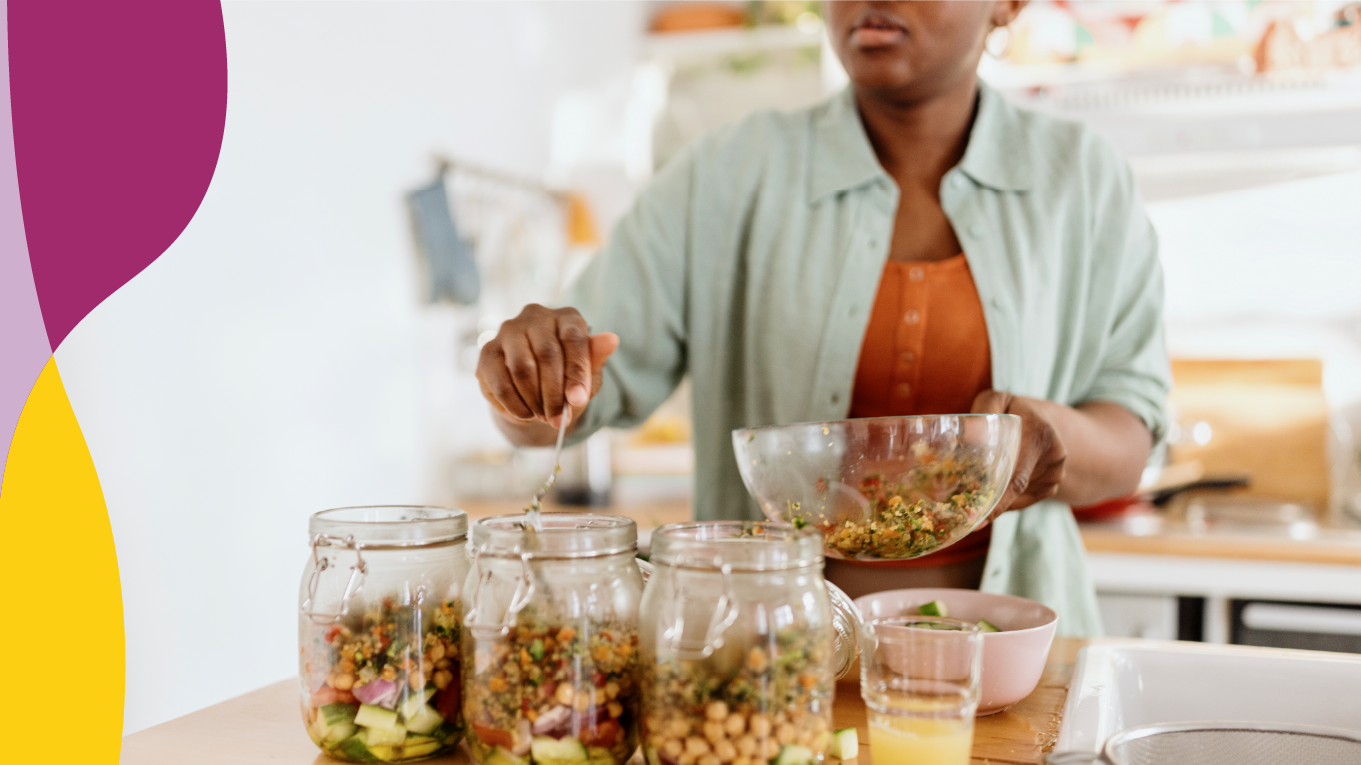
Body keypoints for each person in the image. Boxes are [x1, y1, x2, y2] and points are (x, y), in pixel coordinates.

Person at [475, 0, 1170, 636]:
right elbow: (564, 398)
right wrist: (526, 378)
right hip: (757, 656)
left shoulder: (1081, 180)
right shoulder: (726, 172)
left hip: (1015, 655)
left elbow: (1130, 435)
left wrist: (1050, 440)